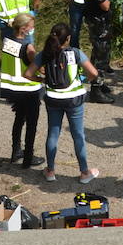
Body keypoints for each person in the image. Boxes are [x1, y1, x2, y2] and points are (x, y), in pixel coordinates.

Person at [24, 22, 100, 184]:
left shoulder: (44, 54)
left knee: (53, 133)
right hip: (74, 99)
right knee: (78, 135)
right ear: (68, 39)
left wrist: (42, 79)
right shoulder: (76, 53)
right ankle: (84, 172)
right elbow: (93, 73)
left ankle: (50, 171)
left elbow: (27, 74)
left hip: (53, 99)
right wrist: (83, 79)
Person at [0, 13, 44, 169]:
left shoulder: (7, 41)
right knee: (31, 124)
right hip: (28, 90)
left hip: (12, 89)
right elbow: (39, 67)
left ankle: (15, 152)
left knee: (19, 119)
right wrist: (44, 78)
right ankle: (28, 158)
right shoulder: (28, 47)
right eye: (31, 26)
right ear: (24, 28)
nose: (33, 29)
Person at [80, 0, 117, 103]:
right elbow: (105, 5)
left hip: (100, 21)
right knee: (100, 56)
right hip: (97, 21)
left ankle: (100, 84)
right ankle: (96, 90)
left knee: (100, 52)